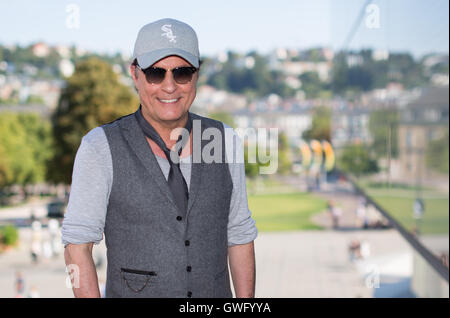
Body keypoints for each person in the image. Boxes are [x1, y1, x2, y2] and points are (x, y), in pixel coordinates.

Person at [62, 18, 258, 298]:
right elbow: (76, 246)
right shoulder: (99, 146)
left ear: (197, 75)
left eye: (182, 72)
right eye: (155, 73)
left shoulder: (224, 140)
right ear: (135, 74)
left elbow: (239, 235)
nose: (170, 86)